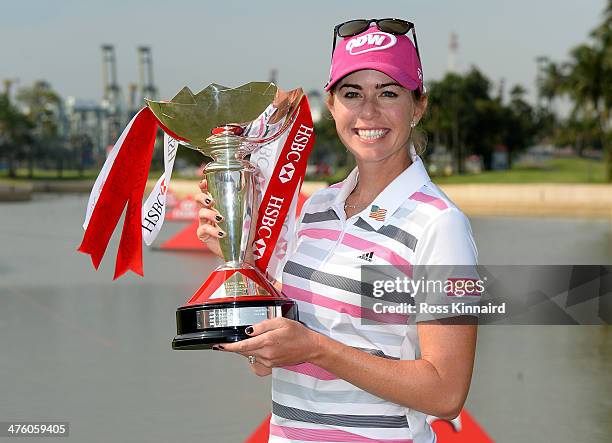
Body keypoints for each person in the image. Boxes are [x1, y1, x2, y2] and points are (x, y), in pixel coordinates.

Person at [196, 19, 479, 443]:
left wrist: (314, 348)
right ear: (331, 105)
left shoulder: (441, 224)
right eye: (352, 94)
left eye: (388, 93)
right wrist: (236, 268)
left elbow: (445, 393)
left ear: (418, 106)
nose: (369, 112)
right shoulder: (316, 208)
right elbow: (272, 363)